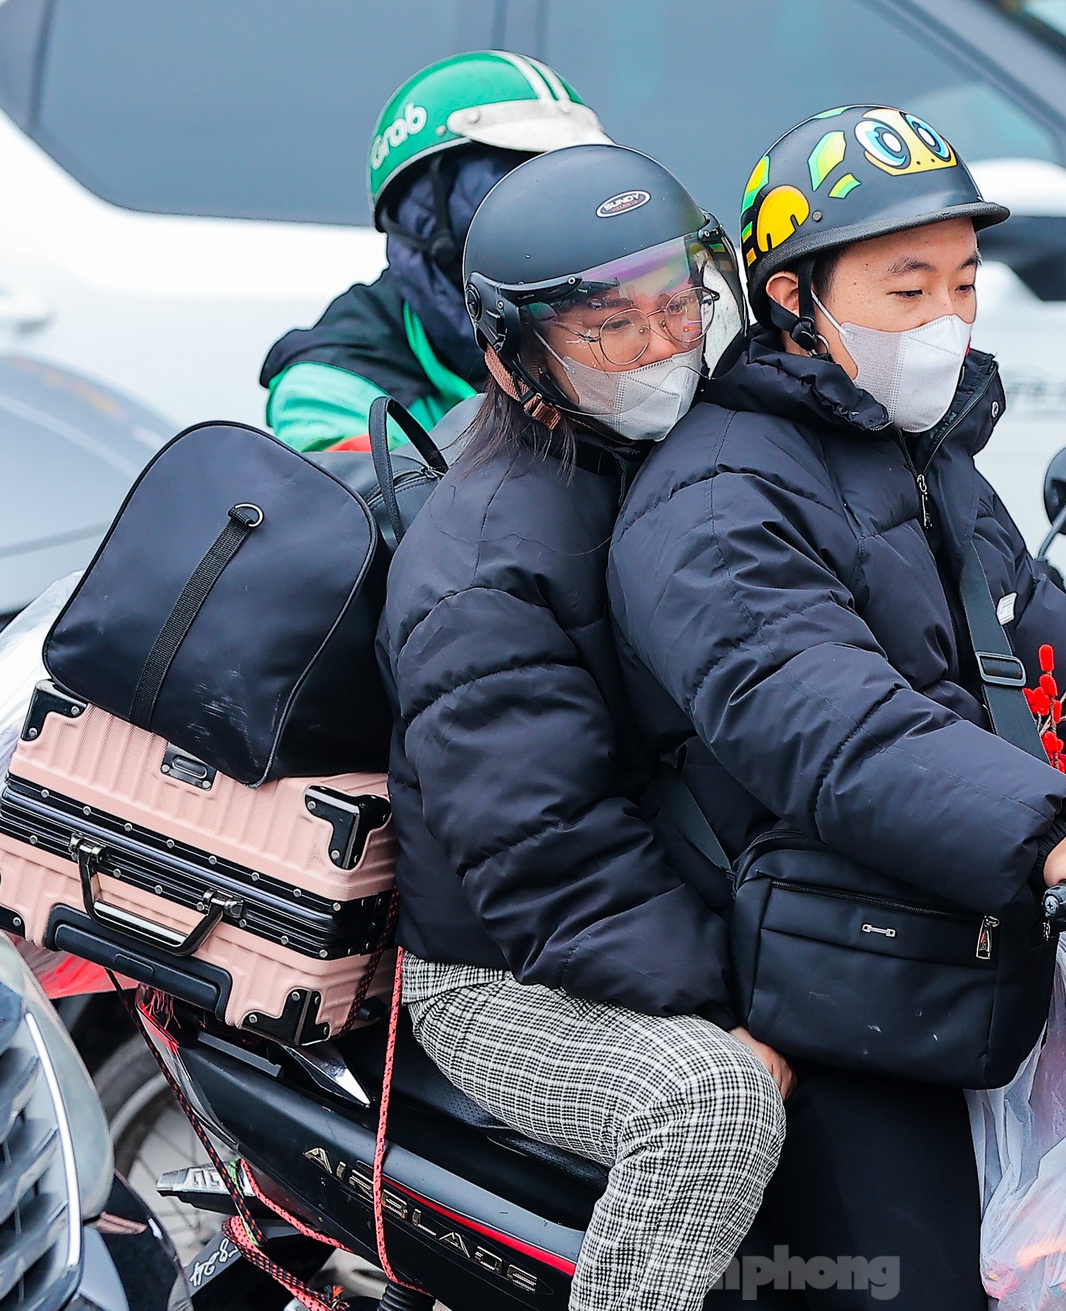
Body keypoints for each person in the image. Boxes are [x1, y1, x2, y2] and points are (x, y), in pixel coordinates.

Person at [607, 107, 1066, 1310]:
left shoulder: (924, 457)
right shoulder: (717, 501)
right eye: (906, 284)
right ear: (791, 298)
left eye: (965, 281)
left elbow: (1055, 655)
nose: (947, 315)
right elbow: (832, 726)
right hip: (836, 980)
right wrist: (1058, 838)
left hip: (961, 939)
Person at [376, 142, 787, 1311]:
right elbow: (542, 847)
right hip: (500, 972)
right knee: (708, 1100)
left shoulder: (682, 456)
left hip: (668, 894)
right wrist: (729, 1005)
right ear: (514, 360)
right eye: (611, 328)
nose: (665, 348)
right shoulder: (484, 568)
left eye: (679, 308)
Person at [260, 51, 610, 452]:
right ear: (422, 210)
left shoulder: (645, 317)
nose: (559, 219)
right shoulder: (334, 387)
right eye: (515, 176)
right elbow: (380, 508)